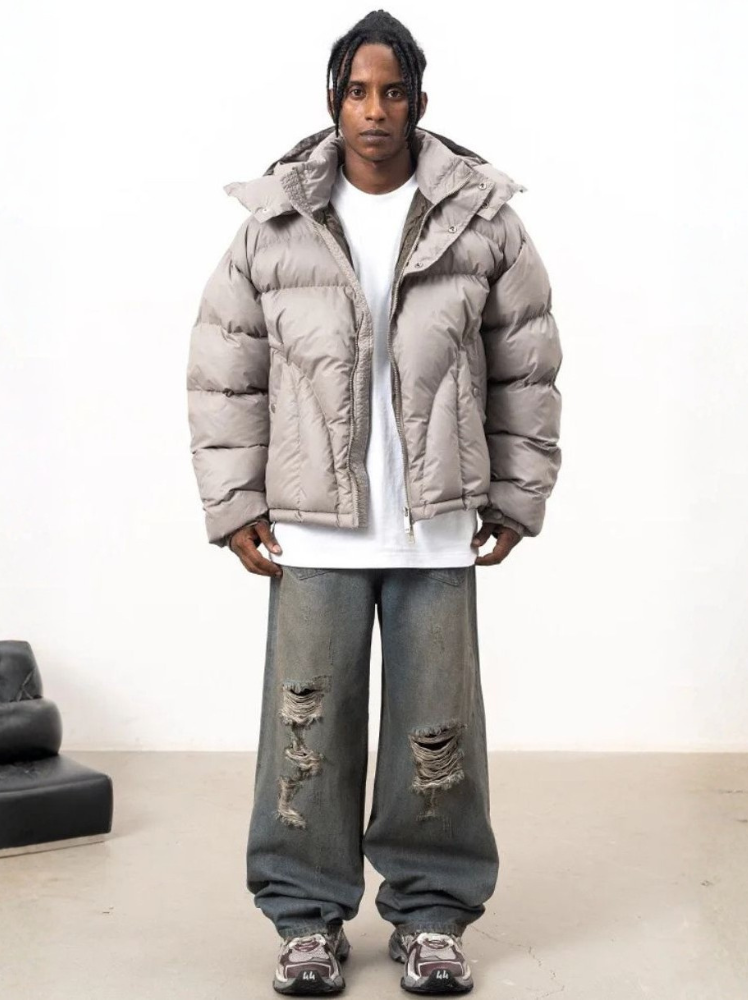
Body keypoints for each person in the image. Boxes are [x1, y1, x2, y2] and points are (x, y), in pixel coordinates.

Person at [186, 10, 562, 995]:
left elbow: (525, 362)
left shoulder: (479, 217)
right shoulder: (277, 222)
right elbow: (226, 368)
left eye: (393, 91)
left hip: (435, 525)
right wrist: (234, 502)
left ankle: (432, 915)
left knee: (437, 737)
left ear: (420, 101)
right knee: (305, 732)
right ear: (332, 98)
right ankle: (305, 919)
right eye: (358, 91)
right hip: (313, 528)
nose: (375, 110)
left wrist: (517, 494)